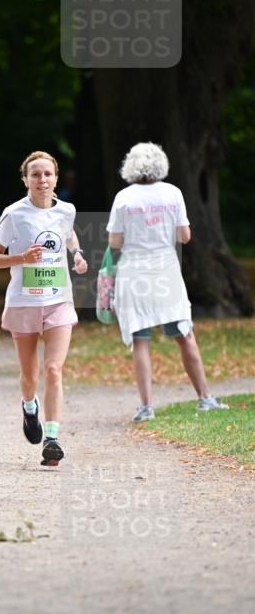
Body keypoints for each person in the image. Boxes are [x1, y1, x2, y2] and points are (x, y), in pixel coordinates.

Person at [107, 141, 229, 421]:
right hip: (165, 272)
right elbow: (184, 236)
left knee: (140, 340)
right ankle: (205, 397)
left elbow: (115, 241)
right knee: (185, 335)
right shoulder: (173, 193)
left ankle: (146, 407)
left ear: (130, 165)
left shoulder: (124, 198)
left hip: (134, 274)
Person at [0, 150, 87, 466]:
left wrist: (77, 254)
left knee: (54, 369)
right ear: (26, 180)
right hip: (24, 303)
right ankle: (29, 407)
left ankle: (52, 438)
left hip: (58, 301)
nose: (42, 180)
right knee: (30, 375)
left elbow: (68, 235)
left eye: (47, 174)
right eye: (35, 174)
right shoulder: (14, 213)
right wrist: (22, 258)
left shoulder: (67, 210)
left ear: (55, 178)